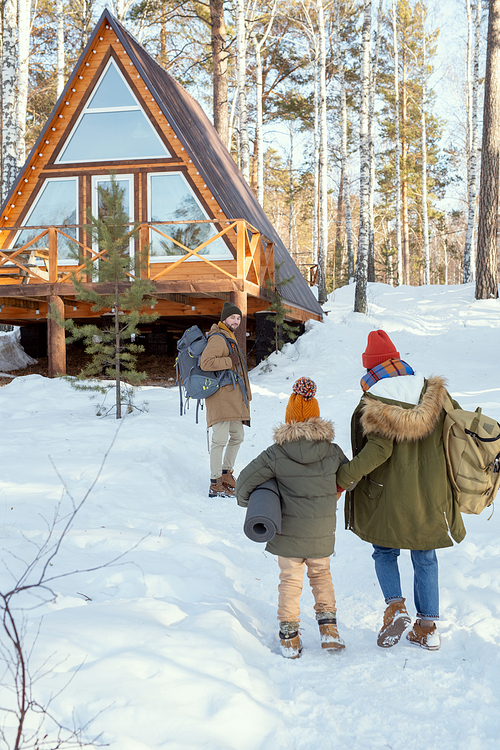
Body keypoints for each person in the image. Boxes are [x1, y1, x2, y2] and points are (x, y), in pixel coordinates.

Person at [336, 330, 466, 651]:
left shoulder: (376, 400)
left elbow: (379, 451)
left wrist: (343, 478)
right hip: (430, 494)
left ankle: (396, 607)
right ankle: (427, 627)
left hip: (388, 496)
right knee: (425, 556)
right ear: (397, 361)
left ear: (371, 367)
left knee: (384, 551)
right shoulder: (434, 392)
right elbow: (459, 429)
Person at [236, 377, 348, 659]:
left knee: (290, 580)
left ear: (288, 419)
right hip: (321, 532)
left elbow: (243, 485)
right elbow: (349, 478)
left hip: (288, 533)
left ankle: (289, 637)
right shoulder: (332, 452)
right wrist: (332, 495)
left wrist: (257, 501)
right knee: (322, 576)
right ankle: (330, 631)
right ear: (317, 418)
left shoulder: (276, 453)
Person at [200, 300, 252, 498]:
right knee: (220, 439)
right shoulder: (218, 338)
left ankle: (226, 473)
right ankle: (215, 483)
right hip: (221, 398)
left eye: (238, 318)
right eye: (233, 317)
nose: (236, 321)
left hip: (232, 398)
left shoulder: (229, 337)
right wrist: (230, 361)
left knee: (238, 435)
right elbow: (206, 363)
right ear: (224, 319)